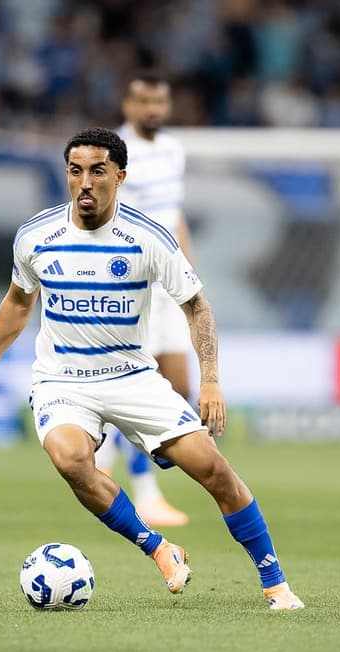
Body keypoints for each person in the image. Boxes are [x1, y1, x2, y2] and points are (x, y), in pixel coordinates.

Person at [0, 127, 304, 610]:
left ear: (120, 177)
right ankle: (159, 548)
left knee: (213, 470)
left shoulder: (148, 238)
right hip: (62, 381)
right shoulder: (36, 235)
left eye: (97, 171)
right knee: (70, 459)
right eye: (75, 171)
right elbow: (17, 304)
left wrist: (209, 378)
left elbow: (197, 307)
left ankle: (275, 583)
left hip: (132, 378)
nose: (85, 182)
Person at [93, 71, 192, 527]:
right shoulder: (113, 154)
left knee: (180, 390)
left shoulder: (174, 150)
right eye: (144, 101)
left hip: (170, 281)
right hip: (133, 284)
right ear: (129, 105)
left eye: (160, 100)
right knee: (137, 386)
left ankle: (104, 450)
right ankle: (146, 494)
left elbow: (175, 214)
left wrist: (188, 273)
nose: (153, 109)